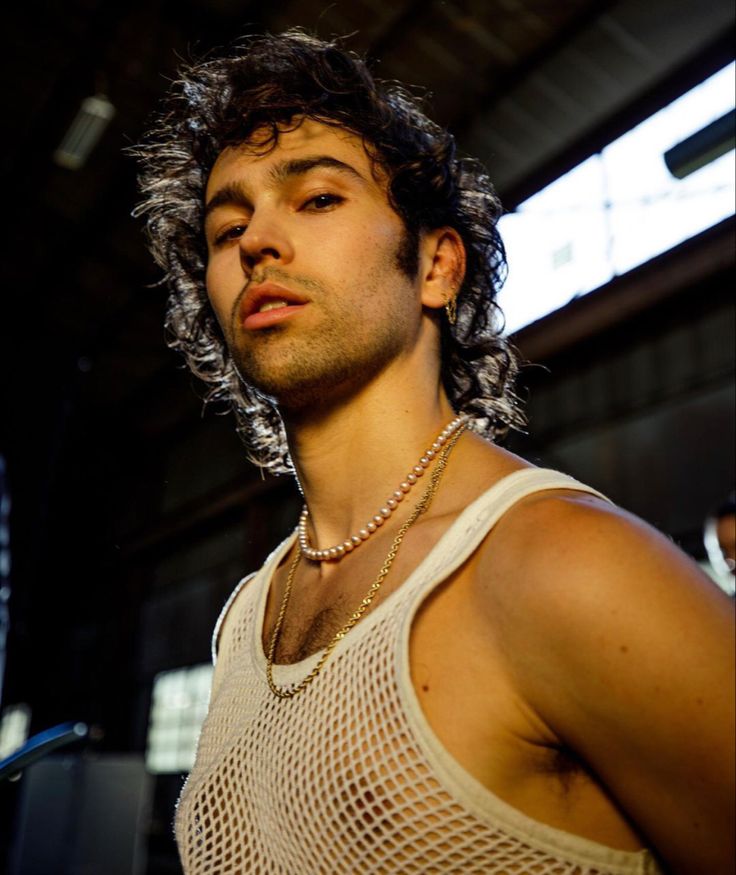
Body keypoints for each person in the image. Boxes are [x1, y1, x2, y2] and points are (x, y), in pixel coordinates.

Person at [133, 30, 734, 875]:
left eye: (316, 200)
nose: (256, 241)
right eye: (228, 226)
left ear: (437, 267)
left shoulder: (563, 565)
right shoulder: (245, 622)